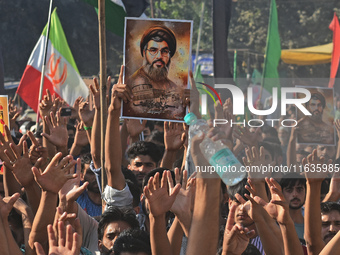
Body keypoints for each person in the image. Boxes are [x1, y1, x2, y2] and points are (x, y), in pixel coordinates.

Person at [128, 25, 177, 91]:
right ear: (144, 53)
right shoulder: (129, 85)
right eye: (153, 50)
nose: (159, 56)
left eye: (165, 51)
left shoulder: (174, 88)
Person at [280, 173, 306, 243]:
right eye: (289, 190)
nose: (295, 194)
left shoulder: (312, 226)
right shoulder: (275, 225)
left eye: (299, 189)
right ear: (282, 193)